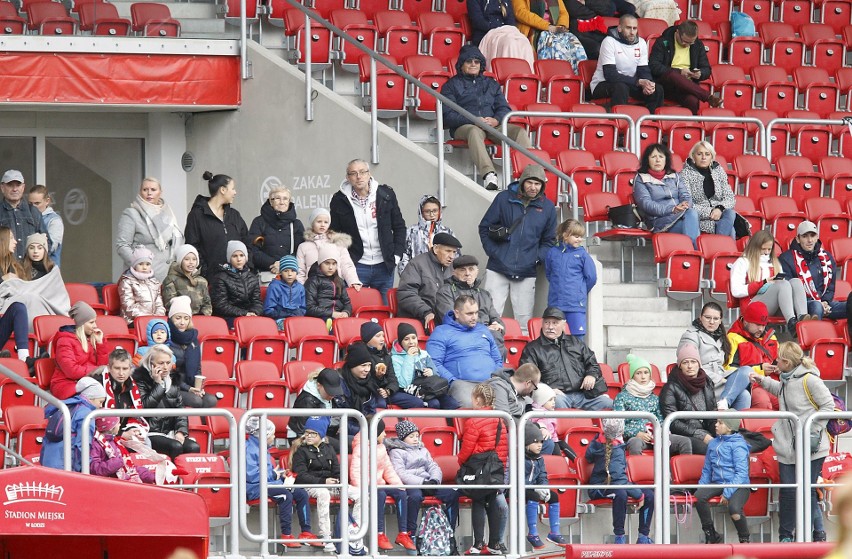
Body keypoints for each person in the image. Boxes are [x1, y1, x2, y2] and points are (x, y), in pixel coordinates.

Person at [750, 341, 833, 543]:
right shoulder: (787, 378)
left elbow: (828, 406)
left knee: (808, 489)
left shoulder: (810, 380)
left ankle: (818, 534)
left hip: (812, 447)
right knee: (788, 492)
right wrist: (761, 380)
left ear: (786, 362)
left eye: (779, 358)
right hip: (788, 446)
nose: (776, 360)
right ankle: (785, 536)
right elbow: (781, 390)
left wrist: (810, 430)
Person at [441, 45, 533, 191]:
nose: (473, 64)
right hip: (465, 126)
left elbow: (504, 108)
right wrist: (473, 120)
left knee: (519, 132)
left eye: (476, 62)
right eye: (469, 61)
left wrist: (496, 120)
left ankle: (530, 175)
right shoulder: (451, 85)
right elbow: (447, 116)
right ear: (461, 64)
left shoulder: (491, 83)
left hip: (492, 124)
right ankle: (489, 174)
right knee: (474, 131)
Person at [479, 164, 557, 330]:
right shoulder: (503, 198)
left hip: (526, 270)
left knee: (524, 322)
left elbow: (549, 240)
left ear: (543, 185)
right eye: (530, 182)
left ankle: (521, 355)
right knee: (488, 316)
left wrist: (535, 259)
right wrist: (493, 252)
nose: (533, 187)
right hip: (497, 267)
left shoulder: (548, 207)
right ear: (522, 182)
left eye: (538, 184)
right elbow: (485, 227)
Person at [329, 159, 405, 301]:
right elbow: (335, 234)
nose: (359, 177)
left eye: (362, 172)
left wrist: (396, 256)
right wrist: (344, 262)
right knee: (356, 310)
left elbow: (399, 226)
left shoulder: (385, 195)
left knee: (384, 310)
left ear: (369, 174)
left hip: (385, 264)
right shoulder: (339, 200)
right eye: (353, 173)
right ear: (347, 177)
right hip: (357, 264)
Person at [519, 306, 612, 410]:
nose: (550, 327)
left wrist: (591, 375)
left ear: (563, 325)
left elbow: (593, 364)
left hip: (584, 395)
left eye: (555, 323)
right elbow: (527, 376)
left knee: (608, 404)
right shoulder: (532, 348)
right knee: (558, 404)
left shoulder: (576, 343)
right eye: (547, 323)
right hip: (556, 396)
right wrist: (548, 390)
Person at [387, 420, 460, 546]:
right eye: (411, 436)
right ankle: (411, 533)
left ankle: (450, 533)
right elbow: (401, 473)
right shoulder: (396, 452)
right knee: (414, 497)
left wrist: (434, 481)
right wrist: (422, 483)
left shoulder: (423, 449)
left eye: (416, 435)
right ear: (403, 437)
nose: (415, 439)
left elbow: (433, 466)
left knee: (452, 494)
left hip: (427, 482)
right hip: (412, 484)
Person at [245, 416, 311, 550]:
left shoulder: (262, 448)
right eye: (272, 434)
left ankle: (306, 532)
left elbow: (268, 473)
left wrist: (281, 474)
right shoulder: (249, 449)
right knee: (285, 495)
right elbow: (252, 476)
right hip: (254, 487)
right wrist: (275, 474)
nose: (274, 436)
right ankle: (286, 535)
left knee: (301, 493)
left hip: (268, 484)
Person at [458, 383, 510, 555]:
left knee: (478, 501)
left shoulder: (474, 420)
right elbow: (503, 447)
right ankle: (495, 543)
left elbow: (466, 449)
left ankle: (478, 543)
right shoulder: (501, 418)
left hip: (479, 469)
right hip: (496, 469)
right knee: (495, 501)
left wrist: (461, 461)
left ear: (478, 399)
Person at [586, 417, 655, 544]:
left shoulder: (598, 439)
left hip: (615, 484)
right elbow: (618, 480)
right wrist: (638, 495)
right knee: (621, 493)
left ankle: (643, 536)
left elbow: (589, 457)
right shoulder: (612, 448)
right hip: (599, 488)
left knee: (650, 495)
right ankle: (619, 536)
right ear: (621, 431)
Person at [351, 419, 416, 551]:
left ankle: (403, 534)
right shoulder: (360, 448)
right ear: (374, 433)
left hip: (380, 484)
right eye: (382, 432)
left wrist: (399, 485)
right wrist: (363, 490)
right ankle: (379, 533)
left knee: (401, 492)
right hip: (368, 487)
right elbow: (355, 472)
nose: (385, 434)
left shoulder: (381, 447)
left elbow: (388, 469)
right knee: (379, 493)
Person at [427, 295, 503, 407]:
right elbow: (433, 362)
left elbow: (497, 359)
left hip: (491, 383)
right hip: (462, 384)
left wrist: (495, 376)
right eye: (469, 313)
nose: (474, 317)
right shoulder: (441, 332)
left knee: (509, 405)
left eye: (476, 313)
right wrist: (452, 381)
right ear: (457, 313)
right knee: (472, 408)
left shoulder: (483, 330)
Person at [730, 229, 812, 333]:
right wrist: (763, 283)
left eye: (769, 249)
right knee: (782, 284)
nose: (766, 252)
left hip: (774, 305)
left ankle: (802, 318)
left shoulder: (774, 262)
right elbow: (736, 291)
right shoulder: (742, 262)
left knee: (795, 281)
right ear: (755, 247)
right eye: (763, 249)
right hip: (752, 305)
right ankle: (791, 323)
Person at [614, 354, 692, 456]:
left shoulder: (654, 398)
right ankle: (639, 471)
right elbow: (617, 425)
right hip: (636, 438)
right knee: (635, 443)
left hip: (656, 436)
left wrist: (658, 432)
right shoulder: (622, 397)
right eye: (638, 373)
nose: (643, 376)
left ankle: (681, 471)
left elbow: (661, 420)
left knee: (684, 442)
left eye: (646, 373)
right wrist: (636, 433)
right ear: (632, 376)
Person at [680, 302, 753, 410]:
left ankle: (730, 422)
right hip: (702, 383)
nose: (711, 322)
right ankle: (725, 402)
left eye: (716, 318)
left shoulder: (720, 337)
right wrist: (720, 379)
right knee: (744, 378)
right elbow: (690, 366)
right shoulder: (691, 336)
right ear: (700, 317)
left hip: (719, 382)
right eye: (708, 317)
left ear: (720, 320)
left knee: (745, 390)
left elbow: (721, 366)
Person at [133, 344, 201, 459]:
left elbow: (180, 411)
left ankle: (186, 477)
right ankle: (173, 476)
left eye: (168, 363)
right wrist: (159, 385)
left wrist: (180, 431)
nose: (165, 367)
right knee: (175, 446)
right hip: (149, 432)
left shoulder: (173, 381)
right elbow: (144, 407)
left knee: (193, 447)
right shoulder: (140, 380)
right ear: (151, 364)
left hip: (169, 432)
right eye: (161, 363)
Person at [291, 416, 347, 552]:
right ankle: (325, 535)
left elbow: (337, 470)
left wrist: (339, 480)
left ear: (321, 434)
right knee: (323, 493)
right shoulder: (301, 451)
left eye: (313, 433)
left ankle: (354, 535)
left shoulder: (329, 449)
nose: (308, 436)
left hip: (329, 483)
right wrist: (323, 481)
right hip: (310, 485)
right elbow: (301, 476)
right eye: (307, 432)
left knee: (359, 494)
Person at [590, 15, 664, 113]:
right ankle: (620, 124)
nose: (632, 32)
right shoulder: (609, 41)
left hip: (629, 83)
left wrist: (647, 83)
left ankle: (650, 124)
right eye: (628, 28)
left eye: (635, 28)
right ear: (620, 28)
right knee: (621, 87)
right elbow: (610, 75)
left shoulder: (641, 43)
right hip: (602, 84)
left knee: (657, 89)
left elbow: (644, 70)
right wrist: (638, 82)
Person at [116, 177, 185, 282]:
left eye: (153, 190)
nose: (149, 193)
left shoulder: (168, 214)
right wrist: (140, 266)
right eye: (145, 190)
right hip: (142, 279)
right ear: (140, 192)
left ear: (160, 192)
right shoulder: (132, 213)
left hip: (169, 279)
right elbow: (122, 245)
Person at [695, 417, 752, 544]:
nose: (716, 425)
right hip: (718, 482)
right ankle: (711, 534)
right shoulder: (713, 443)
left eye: (720, 423)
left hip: (739, 484)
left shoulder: (739, 445)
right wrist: (701, 487)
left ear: (730, 427)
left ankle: (744, 540)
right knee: (699, 497)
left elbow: (741, 473)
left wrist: (728, 492)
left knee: (735, 509)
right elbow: (707, 469)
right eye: (716, 422)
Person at [434, 254, 506, 354]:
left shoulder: (484, 294)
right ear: (454, 272)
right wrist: (484, 329)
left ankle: (496, 368)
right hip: (459, 338)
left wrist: (497, 326)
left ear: (477, 272)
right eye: (463, 270)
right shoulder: (445, 292)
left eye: (471, 269)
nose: (467, 273)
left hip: (488, 337)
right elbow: (452, 320)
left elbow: (496, 318)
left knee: (496, 336)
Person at [184, 171, 249, 280]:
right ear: (223, 190)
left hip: (237, 279)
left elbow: (246, 241)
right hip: (210, 280)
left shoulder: (234, 215)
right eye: (232, 188)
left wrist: (247, 266)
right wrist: (205, 270)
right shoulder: (196, 215)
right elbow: (192, 245)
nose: (235, 192)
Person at [633, 143, 699, 248]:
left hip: (681, 216)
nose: (658, 160)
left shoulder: (674, 176)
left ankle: (692, 255)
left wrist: (685, 204)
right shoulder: (641, 178)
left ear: (666, 159)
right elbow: (646, 204)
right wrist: (672, 209)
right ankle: (694, 255)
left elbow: (685, 195)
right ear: (647, 160)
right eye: (653, 157)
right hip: (659, 222)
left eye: (661, 156)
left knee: (692, 214)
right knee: (693, 227)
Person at [780, 221, 848, 322]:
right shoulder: (786, 259)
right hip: (801, 306)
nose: (810, 240)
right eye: (805, 236)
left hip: (825, 304)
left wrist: (825, 302)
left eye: (813, 236)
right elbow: (789, 289)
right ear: (798, 239)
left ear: (817, 237)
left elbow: (830, 288)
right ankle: (814, 336)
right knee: (816, 306)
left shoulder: (827, 257)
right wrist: (818, 303)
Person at [648, 21, 721, 114]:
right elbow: (654, 66)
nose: (686, 44)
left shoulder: (697, 45)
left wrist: (700, 73)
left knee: (692, 100)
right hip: (666, 85)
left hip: (686, 87)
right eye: (684, 41)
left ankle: (691, 126)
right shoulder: (662, 42)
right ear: (677, 32)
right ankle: (708, 97)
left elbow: (706, 69)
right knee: (672, 74)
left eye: (690, 43)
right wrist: (679, 72)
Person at [659, 343, 717, 454]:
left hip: (707, 431)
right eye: (685, 362)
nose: (690, 366)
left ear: (699, 364)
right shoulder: (670, 388)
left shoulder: (707, 383)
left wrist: (718, 432)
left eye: (693, 362)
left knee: (747, 441)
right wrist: (702, 435)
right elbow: (672, 422)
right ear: (680, 366)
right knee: (711, 450)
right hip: (686, 435)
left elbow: (713, 414)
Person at [545, 218, 597, 339]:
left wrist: (580, 290)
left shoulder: (583, 255)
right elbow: (550, 274)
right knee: (553, 337)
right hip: (556, 304)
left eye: (580, 236)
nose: (579, 239)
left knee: (577, 338)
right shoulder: (552, 253)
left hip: (575, 305)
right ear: (565, 235)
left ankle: (576, 359)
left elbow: (591, 278)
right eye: (576, 236)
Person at [41, 376, 106, 472]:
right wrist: (83, 468)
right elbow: (82, 445)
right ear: (91, 398)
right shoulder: (86, 414)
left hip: (48, 461)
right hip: (65, 465)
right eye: (100, 402)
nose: (100, 406)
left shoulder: (66, 406)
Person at [391, 322, 461, 410]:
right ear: (401, 342)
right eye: (406, 339)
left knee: (452, 404)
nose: (411, 342)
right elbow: (403, 383)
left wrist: (432, 372)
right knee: (434, 404)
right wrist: (409, 357)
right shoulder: (395, 358)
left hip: (429, 388)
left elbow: (437, 374)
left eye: (413, 338)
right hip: (412, 391)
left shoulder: (424, 354)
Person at [397, 232, 461, 328]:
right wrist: (426, 312)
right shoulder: (417, 264)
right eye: (448, 251)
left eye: (454, 252)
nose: (451, 256)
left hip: (448, 320)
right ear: (435, 249)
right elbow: (406, 293)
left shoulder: (453, 268)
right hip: (421, 319)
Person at [726, 301, 780, 410]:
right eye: (757, 324)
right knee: (764, 404)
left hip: (773, 383)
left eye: (763, 325)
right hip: (751, 385)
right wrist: (760, 369)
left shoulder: (772, 338)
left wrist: (782, 368)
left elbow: (779, 360)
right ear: (746, 321)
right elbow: (728, 370)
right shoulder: (733, 338)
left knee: (789, 401)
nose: (761, 329)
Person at [523, 422, 568, 549]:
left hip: (532, 488)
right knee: (533, 496)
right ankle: (532, 533)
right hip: (518, 488)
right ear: (526, 443)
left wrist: (544, 488)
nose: (539, 445)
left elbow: (543, 476)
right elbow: (517, 478)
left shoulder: (539, 458)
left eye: (541, 442)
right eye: (536, 442)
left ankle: (554, 532)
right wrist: (535, 488)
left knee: (554, 496)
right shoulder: (519, 457)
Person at [51, 302, 108, 399]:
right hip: (66, 384)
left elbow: (102, 366)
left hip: (90, 380)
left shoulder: (93, 338)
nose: (95, 325)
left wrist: (100, 344)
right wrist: (96, 370)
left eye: (95, 321)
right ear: (82, 323)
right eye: (91, 322)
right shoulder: (64, 341)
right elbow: (71, 371)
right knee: (98, 390)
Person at [248, 186, 304, 283]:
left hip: (290, 279)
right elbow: (253, 250)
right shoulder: (259, 222)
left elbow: (300, 251)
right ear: (270, 201)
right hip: (265, 277)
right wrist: (273, 263)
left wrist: (283, 265)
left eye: (285, 198)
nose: (282, 202)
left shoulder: (296, 224)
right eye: (278, 198)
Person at [679, 141, 736, 238]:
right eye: (699, 154)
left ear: (712, 156)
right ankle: (721, 247)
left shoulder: (718, 171)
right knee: (730, 230)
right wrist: (711, 212)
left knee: (730, 213)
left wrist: (719, 208)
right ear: (693, 156)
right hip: (700, 219)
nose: (703, 157)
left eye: (707, 154)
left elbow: (730, 197)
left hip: (721, 214)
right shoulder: (685, 174)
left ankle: (719, 247)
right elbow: (688, 203)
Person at [168, 296, 216, 409]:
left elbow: (197, 367)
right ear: (171, 319)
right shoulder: (167, 339)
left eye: (186, 318)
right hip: (173, 387)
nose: (182, 322)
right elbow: (169, 374)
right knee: (196, 401)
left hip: (190, 386)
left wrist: (198, 388)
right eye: (178, 318)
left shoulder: (193, 340)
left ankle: (204, 426)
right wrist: (188, 388)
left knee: (211, 400)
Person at [296, 207, 361, 289]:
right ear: (312, 223)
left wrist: (353, 281)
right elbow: (300, 271)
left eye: (326, 222)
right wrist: (302, 289)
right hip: (312, 290)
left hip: (334, 289)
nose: (322, 224)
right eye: (319, 221)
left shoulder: (337, 244)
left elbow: (346, 265)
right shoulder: (303, 246)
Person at [360, 321, 415, 409]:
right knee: (380, 404)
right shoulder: (362, 355)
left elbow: (393, 380)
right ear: (368, 339)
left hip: (387, 392)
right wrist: (378, 378)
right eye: (378, 336)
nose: (382, 339)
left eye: (383, 336)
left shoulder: (386, 356)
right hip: (372, 392)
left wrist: (388, 390)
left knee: (416, 402)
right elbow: (363, 381)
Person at [468, 0, 536, 70]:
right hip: (486, 34)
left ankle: (525, 77)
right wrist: (499, 28)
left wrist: (504, 29)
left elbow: (511, 22)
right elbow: (478, 22)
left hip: (505, 32)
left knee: (524, 42)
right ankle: (507, 73)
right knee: (509, 43)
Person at [288, 367, 345, 450]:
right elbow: (301, 433)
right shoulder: (307, 400)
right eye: (329, 392)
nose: (332, 396)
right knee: (345, 446)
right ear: (319, 385)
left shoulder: (329, 398)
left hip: (324, 434)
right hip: (304, 438)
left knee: (355, 441)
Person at [399, 195, 456, 276]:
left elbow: (455, 257)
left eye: (435, 211)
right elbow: (404, 256)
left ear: (439, 211)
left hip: (443, 279)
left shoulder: (447, 232)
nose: (432, 215)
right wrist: (407, 276)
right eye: (427, 211)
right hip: (417, 277)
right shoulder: (411, 232)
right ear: (421, 212)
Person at [211, 240, 263, 328]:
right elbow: (220, 305)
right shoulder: (220, 277)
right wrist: (244, 313)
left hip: (249, 316)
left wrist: (254, 313)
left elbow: (257, 302)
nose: (239, 259)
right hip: (228, 317)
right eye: (235, 256)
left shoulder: (252, 278)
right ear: (229, 258)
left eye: (241, 255)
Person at [90, 415, 156, 484]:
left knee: (148, 476)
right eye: (118, 423)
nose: (120, 424)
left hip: (124, 475)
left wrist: (150, 476)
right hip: (112, 483)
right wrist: (117, 462)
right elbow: (95, 469)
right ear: (111, 428)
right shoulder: (96, 445)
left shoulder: (114, 441)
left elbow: (129, 466)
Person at [0, 169, 49, 261]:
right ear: (2, 188)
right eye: (10, 185)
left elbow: (46, 242)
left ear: (23, 187)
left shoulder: (33, 211)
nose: (15, 189)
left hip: (29, 270)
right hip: (5, 270)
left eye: (18, 185)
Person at [338, 343, 379, 438]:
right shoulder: (339, 383)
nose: (367, 369)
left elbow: (371, 412)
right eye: (363, 365)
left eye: (369, 365)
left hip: (362, 430)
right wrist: (363, 431)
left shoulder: (369, 383)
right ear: (352, 365)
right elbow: (336, 419)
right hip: (343, 431)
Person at [118, 247, 166, 324]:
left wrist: (158, 317)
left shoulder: (155, 282)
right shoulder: (127, 281)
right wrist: (146, 318)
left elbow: (159, 304)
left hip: (153, 320)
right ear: (134, 265)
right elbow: (128, 306)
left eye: (147, 264)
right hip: (133, 321)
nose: (144, 267)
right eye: (140, 264)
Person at [304, 245, 352, 324]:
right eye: (327, 263)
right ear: (320, 264)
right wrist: (332, 313)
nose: (330, 267)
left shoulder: (339, 281)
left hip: (339, 318)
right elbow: (309, 307)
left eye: (334, 264)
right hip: (320, 319)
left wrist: (346, 312)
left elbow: (347, 303)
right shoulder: (312, 281)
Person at [97, 348, 142, 429]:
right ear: (109, 368)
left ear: (130, 368)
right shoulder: (98, 386)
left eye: (125, 369)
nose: (121, 373)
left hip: (126, 432)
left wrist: (132, 430)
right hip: (105, 435)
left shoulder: (133, 387)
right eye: (117, 368)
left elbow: (135, 418)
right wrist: (122, 434)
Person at [162, 244, 213, 316]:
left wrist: (203, 316)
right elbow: (170, 303)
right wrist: (185, 317)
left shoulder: (202, 281)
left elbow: (207, 303)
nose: (191, 262)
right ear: (180, 261)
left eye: (194, 259)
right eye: (187, 259)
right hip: (180, 319)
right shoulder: (171, 279)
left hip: (200, 320)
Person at [264, 254, 306, 329]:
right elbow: (268, 310)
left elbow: (303, 308)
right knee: (287, 327)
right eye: (286, 271)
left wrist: (296, 314)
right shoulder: (274, 286)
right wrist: (286, 314)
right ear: (280, 272)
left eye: (293, 271)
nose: (289, 274)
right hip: (278, 319)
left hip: (297, 319)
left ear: (297, 272)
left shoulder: (300, 288)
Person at [28, 185, 63, 267]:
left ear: (47, 201)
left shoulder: (54, 220)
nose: (33, 207)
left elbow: (51, 247)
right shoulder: (26, 216)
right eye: (30, 204)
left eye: (37, 203)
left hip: (48, 269)